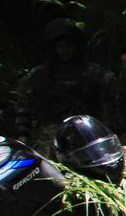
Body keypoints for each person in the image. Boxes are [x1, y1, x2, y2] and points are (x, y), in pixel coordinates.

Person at [11, 18, 116, 151]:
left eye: (69, 46)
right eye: (60, 46)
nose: (65, 50)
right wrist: (23, 140)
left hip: (87, 139)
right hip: (47, 142)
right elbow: (23, 110)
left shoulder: (94, 74)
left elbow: (115, 101)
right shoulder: (38, 76)